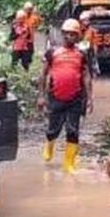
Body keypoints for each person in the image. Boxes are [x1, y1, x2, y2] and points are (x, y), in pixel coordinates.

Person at [37, 18, 94, 174]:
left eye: (74, 34)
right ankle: (49, 144)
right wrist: (41, 96)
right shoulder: (52, 53)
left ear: (78, 37)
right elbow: (42, 75)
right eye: (67, 34)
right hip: (55, 96)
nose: (70, 37)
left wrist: (89, 99)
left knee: (73, 130)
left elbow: (86, 76)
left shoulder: (81, 55)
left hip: (75, 98)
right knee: (53, 129)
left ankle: (69, 164)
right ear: (62, 35)